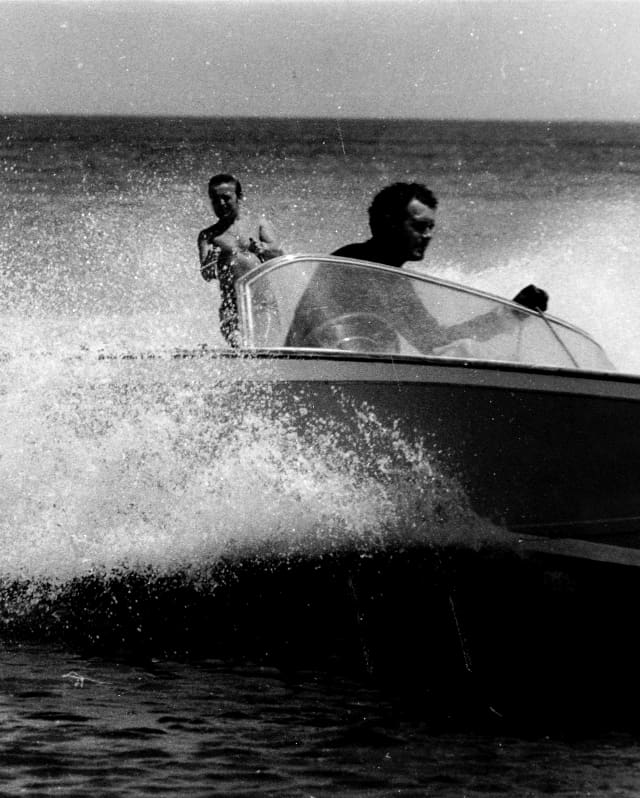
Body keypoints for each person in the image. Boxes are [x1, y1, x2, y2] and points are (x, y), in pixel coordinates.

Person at [286, 182, 548, 351]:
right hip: (316, 378)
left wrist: (509, 315)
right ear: (390, 224)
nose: (428, 235)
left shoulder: (391, 277)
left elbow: (432, 340)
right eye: (420, 226)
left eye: (431, 227)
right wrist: (506, 317)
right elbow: (432, 341)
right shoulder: (355, 263)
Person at [198, 173, 283, 346]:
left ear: (239, 197)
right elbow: (207, 275)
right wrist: (210, 263)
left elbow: (280, 254)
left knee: (266, 349)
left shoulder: (258, 223)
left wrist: (264, 248)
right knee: (240, 351)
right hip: (232, 308)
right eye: (215, 199)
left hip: (264, 305)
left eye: (226, 198)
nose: (221, 204)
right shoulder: (208, 236)